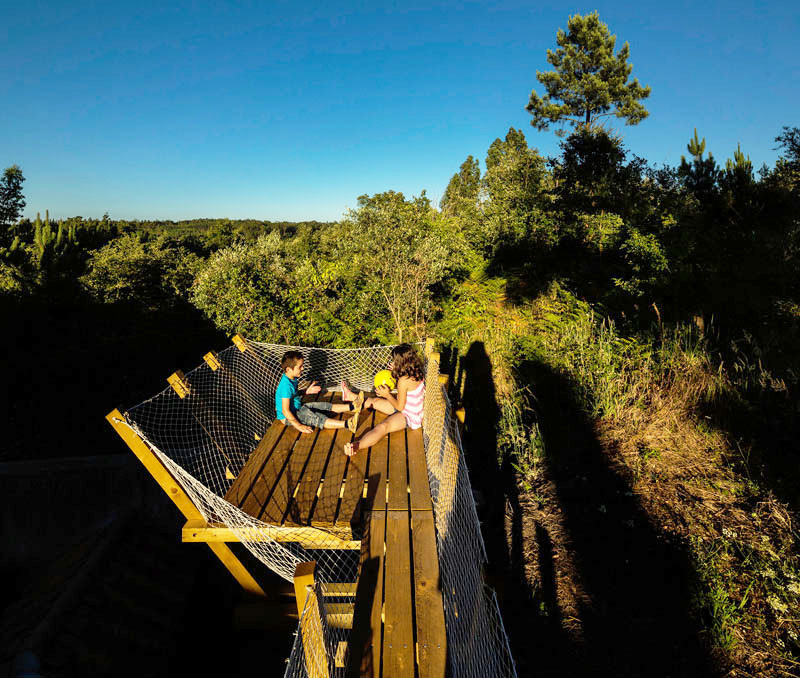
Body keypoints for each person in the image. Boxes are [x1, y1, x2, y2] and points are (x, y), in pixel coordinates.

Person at [341, 343, 425, 456]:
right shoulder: (416, 370)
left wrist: (387, 395)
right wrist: (396, 372)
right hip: (405, 404)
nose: (393, 362)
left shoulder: (403, 381)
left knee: (383, 427)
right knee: (374, 401)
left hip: (409, 415)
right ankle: (350, 397)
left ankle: (357, 446)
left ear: (402, 363)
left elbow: (400, 407)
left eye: (395, 361)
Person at [276, 350, 364, 433]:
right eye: (300, 367)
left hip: (297, 408)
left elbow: (293, 395)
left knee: (323, 406)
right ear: (288, 369)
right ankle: (348, 424)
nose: (303, 368)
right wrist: (299, 426)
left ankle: (353, 407)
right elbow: (285, 411)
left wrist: (306, 391)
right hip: (289, 416)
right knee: (317, 418)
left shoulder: (292, 378)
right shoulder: (286, 386)